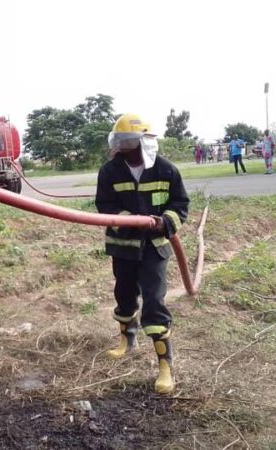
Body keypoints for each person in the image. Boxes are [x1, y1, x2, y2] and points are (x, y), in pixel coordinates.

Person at [94, 113, 190, 395]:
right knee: (124, 295)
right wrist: (128, 220)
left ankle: (165, 366)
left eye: (130, 144)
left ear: (145, 144)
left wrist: (165, 221)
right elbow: (105, 205)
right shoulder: (110, 171)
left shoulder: (166, 170)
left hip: (154, 248)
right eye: (121, 143)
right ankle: (127, 340)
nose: (124, 149)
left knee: (153, 300)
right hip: (123, 247)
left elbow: (180, 205)